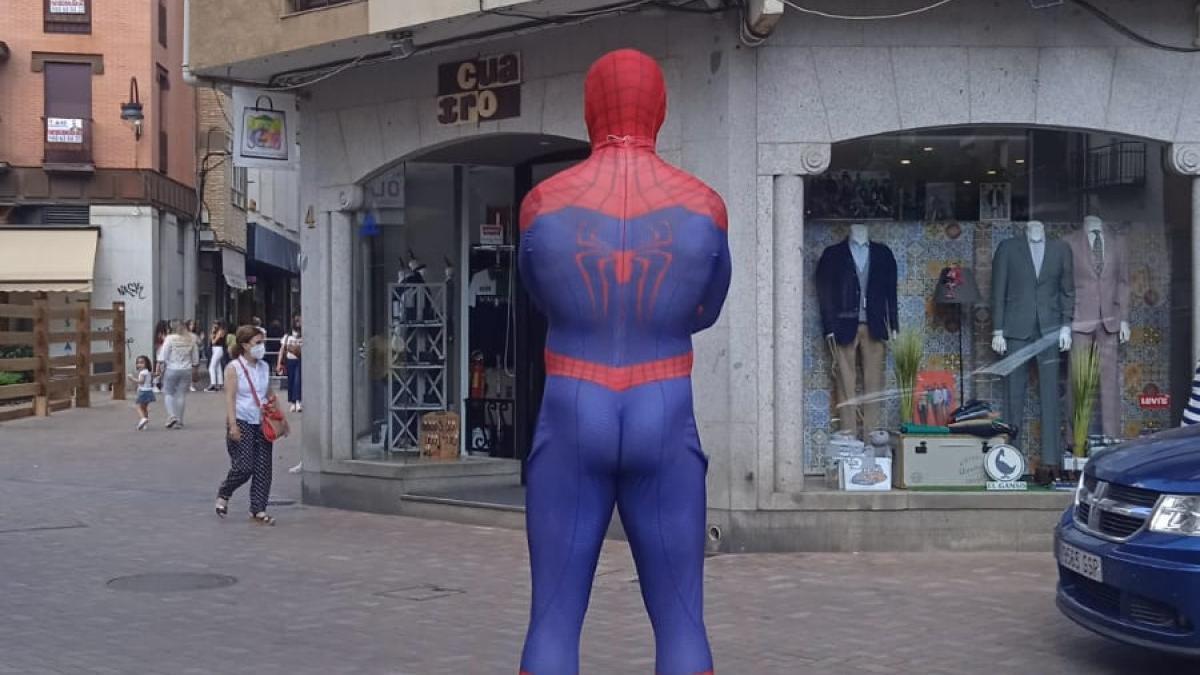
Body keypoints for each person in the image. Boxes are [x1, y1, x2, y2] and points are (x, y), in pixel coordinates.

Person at [215, 326, 288, 525]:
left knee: (264, 467)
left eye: (262, 342)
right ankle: (225, 491)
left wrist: (282, 418)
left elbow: (269, 394)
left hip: (262, 420)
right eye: (258, 343)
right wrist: (232, 425)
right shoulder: (234, 368)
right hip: (242, 419)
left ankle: (258, 508)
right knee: (244, 466)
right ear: (245, 345)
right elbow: (230, 398)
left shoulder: (264, 367)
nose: (261, 347)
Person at [155, 320, 200, 429]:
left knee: (168, 393)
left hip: (172, 369)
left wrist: (159, 366)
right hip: (187, 370)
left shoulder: (170, 338)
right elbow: (195, 357)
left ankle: (171, 416)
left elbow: (163, 355)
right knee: (181, 395)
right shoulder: (191, 338)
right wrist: (195, 367)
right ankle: (179, 421)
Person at [279, 315, 303, 473]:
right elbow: (282, 349)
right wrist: (279, 362)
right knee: (291, 381)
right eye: (296, 321)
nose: (299, 323)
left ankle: (298, 400)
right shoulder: (287, 336)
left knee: (298, 381)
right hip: (290, 360)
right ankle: (293, 402)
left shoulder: (304, 336)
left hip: (301, 359)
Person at [128, 355, 155, 431]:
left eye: (142, 362)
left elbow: (141, 382)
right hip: (149, 391)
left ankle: (143, 419)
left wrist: (132, 379)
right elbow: (152, 376)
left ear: (146, 363)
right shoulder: (148, 372)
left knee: (138, 406)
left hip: (143, 391)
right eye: (138, 363)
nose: (139, 364)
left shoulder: (143, 373)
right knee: (144, 408)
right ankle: (145, 424)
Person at [207, 320, 227, 392]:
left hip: (218, 349)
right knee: (218, 367)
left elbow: (213, 341)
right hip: (216, 349)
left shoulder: (220, 331)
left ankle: (213, 384)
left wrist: (212, 333)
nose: (214, 325)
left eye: (215, 324)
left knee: (211, 367)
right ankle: (220, 383)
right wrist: (212, 333)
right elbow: (211, 339)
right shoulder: (219, 331)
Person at [152, 320, 170, 392]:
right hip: (161, 353)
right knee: (160, 369)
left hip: (163, 353)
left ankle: (162, 385)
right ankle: (155, 384)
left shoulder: (162, 334)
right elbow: (163, 342)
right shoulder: (160, 334)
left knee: (163, 370)